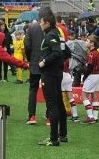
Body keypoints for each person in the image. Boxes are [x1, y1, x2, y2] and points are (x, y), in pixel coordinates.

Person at [38, 8, 69, 147]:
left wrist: (44, 62)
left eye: (41, 21)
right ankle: (62, 135)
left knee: (52, 106)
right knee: (59, 104)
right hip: (57, 73)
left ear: (47, 23)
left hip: (50, 74)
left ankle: (53, 138)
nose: (40, 24)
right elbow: (66, 53)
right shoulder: (59, 34)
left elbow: (57, 53)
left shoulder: (50, 35)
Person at [24, 20, 45, 125]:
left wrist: (30, 58)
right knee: (49, 90)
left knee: (33, 89)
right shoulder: (52, 28)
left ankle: (32, 116)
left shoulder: (31, 28)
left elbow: (27, 45)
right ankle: (50, 116)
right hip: (47, 63)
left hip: (35, 62)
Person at [81, 35, 99, 124]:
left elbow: (89, 68)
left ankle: (90, 117)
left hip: (92, 76)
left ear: (92, 43)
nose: (86, 42)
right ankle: (95, 117)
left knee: (84, 95)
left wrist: (84, 77)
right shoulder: (97, 52)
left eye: (87, 41)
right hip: (98, 75)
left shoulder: (91, 54)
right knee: (94, 96)